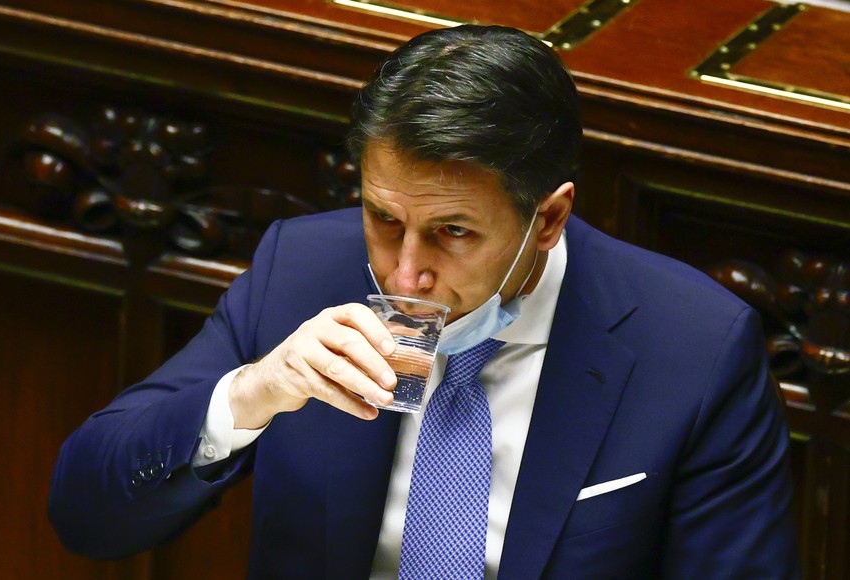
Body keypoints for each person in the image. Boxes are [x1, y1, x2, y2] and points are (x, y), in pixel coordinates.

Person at [49, 25, 800, 578]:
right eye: (383, 220)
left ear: (547, 218)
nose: (404, 275)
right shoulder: (302, 270)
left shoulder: (695, 348)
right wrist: (250, 395)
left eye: (452, 232)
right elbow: (87, 515)